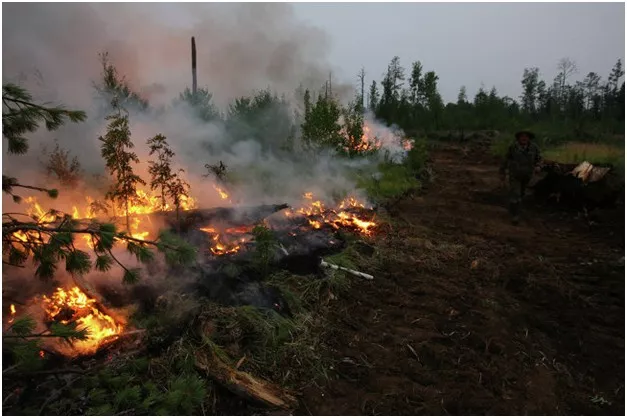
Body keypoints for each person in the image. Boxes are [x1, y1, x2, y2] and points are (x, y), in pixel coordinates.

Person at [499, 130, 542, 224]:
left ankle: (514, 209)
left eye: (526, 137)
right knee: (515, 193)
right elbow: (506, 159)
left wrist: (538, 166)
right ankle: (515, 216)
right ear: (518, 138)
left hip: (527, 175)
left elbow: (538, 158)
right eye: (522, 137)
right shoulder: (513, 147)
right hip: (515, 174)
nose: (524, 138)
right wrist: (502, 172)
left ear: (529, 138)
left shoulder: (534, 148)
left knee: (521, 194)